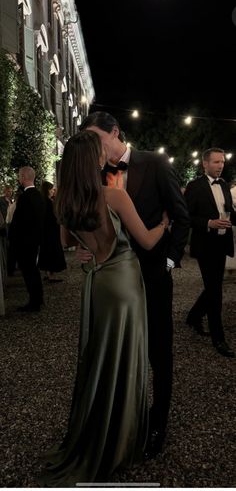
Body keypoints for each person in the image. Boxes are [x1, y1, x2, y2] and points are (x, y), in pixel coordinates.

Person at [39, 131, 169, 485]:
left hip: (95, 284)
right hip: (124, 284)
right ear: (94, 160)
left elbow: (68, 243)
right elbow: (146, 239)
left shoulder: (62, 201)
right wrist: (163, 224)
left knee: (99, 358)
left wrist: (85, 252)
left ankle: (95, 429)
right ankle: (120, 439)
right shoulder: (114, 196)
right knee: (126, 357)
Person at [77, 111, 190, 458]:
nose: (96, 147)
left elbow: (180, 216)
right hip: (113, 280)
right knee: (121, 350)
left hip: (153, 275)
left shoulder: (154, 163)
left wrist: (169, 262)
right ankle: (123, 416)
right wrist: (88, 251)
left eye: (99, 138)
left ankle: (158, 422)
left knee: (159, 349)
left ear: (115, 132)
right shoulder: (93, 173)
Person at [184, 148, 235, 358]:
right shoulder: (194, 186)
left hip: (222, 242)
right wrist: (208, 223)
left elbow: (230, 212)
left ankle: (194, 316)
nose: (220, 165)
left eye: (222, 162)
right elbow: (186, 216)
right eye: (216, 162)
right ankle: (218, 338)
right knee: (215, 291)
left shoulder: (223, 185)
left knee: (214, 286)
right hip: (205, 244)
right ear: (205, 164)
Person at [10, 167, 44, 312]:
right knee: (34, 270)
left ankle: (34, 302)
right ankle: (38, 298)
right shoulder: (39, 195)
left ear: (23, 177)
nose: (18, 178)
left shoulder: (24, 197)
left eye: (19, 176)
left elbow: (19, 222)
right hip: (35, 240)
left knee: (28, 271)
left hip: (24, 241)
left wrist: (12, 237)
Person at [38, 181, 66, 283]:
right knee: (52, 252)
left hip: (44, 231)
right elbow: (54, 217)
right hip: (51, 231)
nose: (52, 191)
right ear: (47, 190)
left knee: (45, 251)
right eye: (51, 189)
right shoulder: (49, 203)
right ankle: (51, 275)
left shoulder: (42, 201)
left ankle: (46, 272)